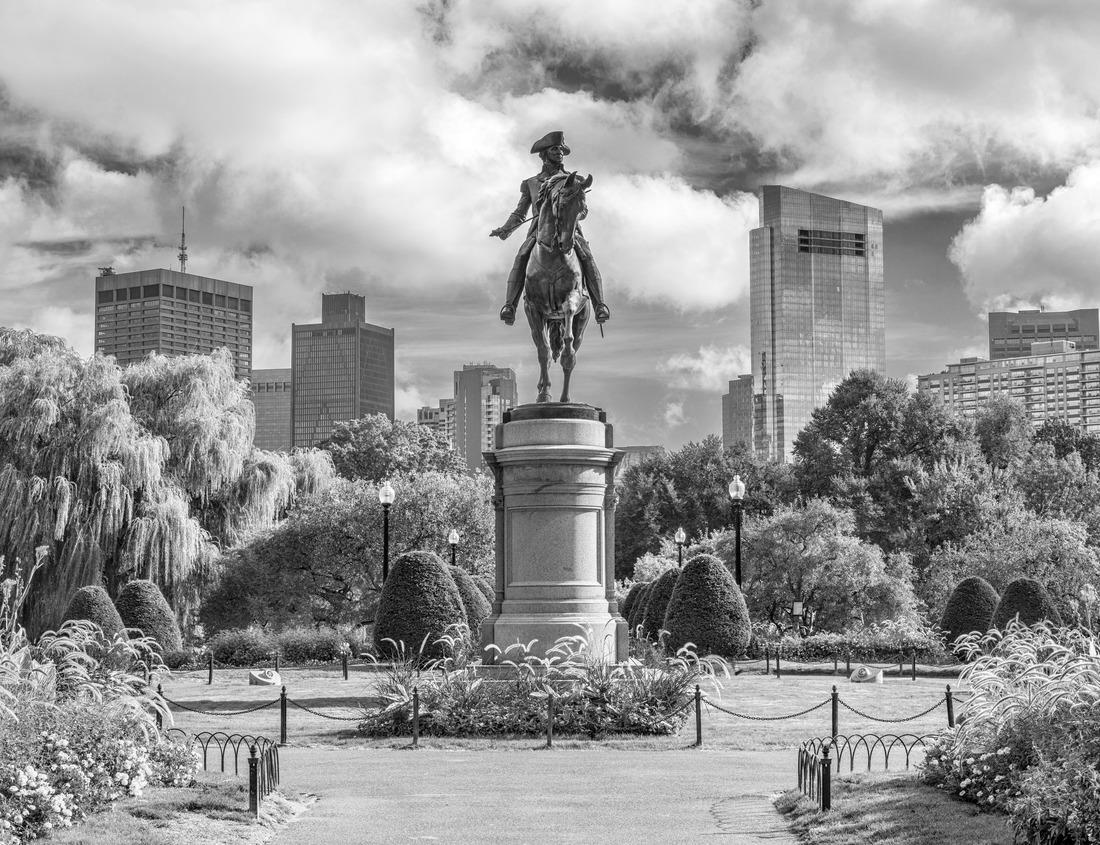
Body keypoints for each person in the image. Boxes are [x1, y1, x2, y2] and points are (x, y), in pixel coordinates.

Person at [489, 130, 610, 325]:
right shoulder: (531, 183)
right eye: (555, 149)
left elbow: (583, 210)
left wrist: (573, 214)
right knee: (521, 257)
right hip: (539, 232)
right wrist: (506, 229)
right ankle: (510, 305)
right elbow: (520, 213)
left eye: (562, 149)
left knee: (587, 257)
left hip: (569, 231)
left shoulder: (574, 181)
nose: (560, 152)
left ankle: (599, 305)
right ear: (544, 154)